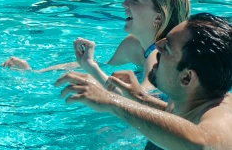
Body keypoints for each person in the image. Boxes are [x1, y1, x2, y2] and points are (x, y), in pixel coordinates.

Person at [56, 13, 232, 150]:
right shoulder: (190, 99)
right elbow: (181, 121)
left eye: (167, 47)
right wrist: (141, 99)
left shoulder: (223, 115)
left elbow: (205, 144)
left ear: (186, 78)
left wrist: (112, 102)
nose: (157, 46)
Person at [2, 0, 189, 89]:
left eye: (135, 0)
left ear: (158, 17)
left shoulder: (159, 56)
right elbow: (101, 66)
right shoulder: (132, 44)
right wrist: (35, 72)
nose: (124, 3)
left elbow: (143, 102)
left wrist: (91, 68)